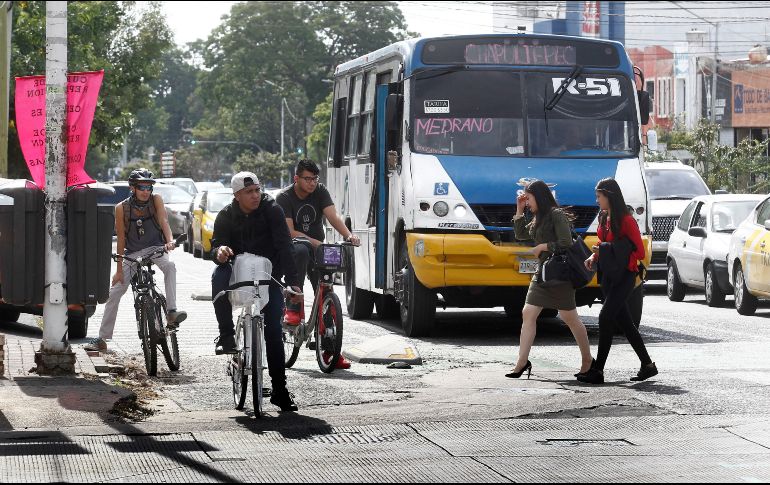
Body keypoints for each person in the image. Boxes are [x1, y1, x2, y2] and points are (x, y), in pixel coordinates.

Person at [210, 171, 303, 411]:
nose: (255, 195)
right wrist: (220, 252)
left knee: (273, 330)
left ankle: (280, 391)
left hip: (268, 275)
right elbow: (216, 246)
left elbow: (285, 246)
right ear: (237, 195)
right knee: (217, 276)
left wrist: (293, 283)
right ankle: (227, 335)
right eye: (249, 192)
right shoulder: (225, 215)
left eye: (257, 190)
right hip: (237, 272)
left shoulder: (272, 210)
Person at [85, 168, 186, 352]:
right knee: (114, 292)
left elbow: (164, 222)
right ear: (133, 188)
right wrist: (119, 271)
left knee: (170, 266)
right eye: (141, 187)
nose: (146, 191)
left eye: (149, 187)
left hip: (156, 248)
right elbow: (121, 240)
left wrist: (170, 241)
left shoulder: (156, 200)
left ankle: (171, 312)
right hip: (132, 253)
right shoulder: (121, 208)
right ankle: (102, 338)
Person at [275, 159, 359, 370]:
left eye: (315, 179)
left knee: (326, 296)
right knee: (301, 248)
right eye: (307, 179)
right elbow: (290, 232)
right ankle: (294, 306)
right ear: (297, 179)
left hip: (319, 249)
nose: (312, 183)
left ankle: (331, 350)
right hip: (296, 251)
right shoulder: (284, 198)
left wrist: (349, 235)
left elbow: (332, 216)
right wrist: (317, 243)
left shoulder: (320, 191)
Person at [507, 180, 594, 379]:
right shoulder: (539, 217)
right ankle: (521, 362)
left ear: (539, 196)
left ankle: (587, 360)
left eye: (528, 199)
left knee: (570, 318)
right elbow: (520, 235)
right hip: (543, 273)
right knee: (528, 313)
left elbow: (565, 242)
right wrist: (519, 210)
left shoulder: (556, 214)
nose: (527, 202)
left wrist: (542, 247)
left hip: (559, 274)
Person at [579, 177, 658, 384]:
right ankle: (648, 365)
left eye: (599, 196)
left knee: (605, 317)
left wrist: (607, 250)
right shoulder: (604, 218)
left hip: (624, 276)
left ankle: (598, 370)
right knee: (626, 324)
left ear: (609, 196)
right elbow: (604, 243)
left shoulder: (627, 221)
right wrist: (594, 256)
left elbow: (639, 251)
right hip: (608, 276)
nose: (597, 200)